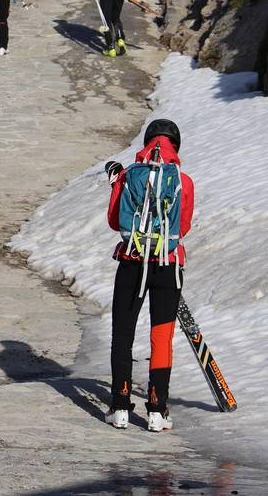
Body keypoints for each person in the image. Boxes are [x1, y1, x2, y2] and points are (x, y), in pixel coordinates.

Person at [104, 119, 195, 433]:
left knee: (123, 334)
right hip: (167, 264)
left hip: (132, 261)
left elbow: (115, 221)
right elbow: (181, 228)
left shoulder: (129, 175)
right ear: (176, 145)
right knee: (161, 337)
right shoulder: (182, 180)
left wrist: (117, 184)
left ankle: (120, 405)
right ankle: (157, 408)